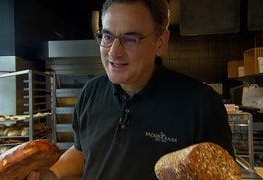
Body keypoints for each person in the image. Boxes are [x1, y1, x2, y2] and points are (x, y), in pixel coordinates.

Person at [28, 0, 234, 179]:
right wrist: (52, 173)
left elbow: (222, 174)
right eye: (107, 37)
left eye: (130, 39)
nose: (114, 52)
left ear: (161, 42)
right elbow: (83, 152)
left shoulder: (201, 104)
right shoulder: (91, 92)